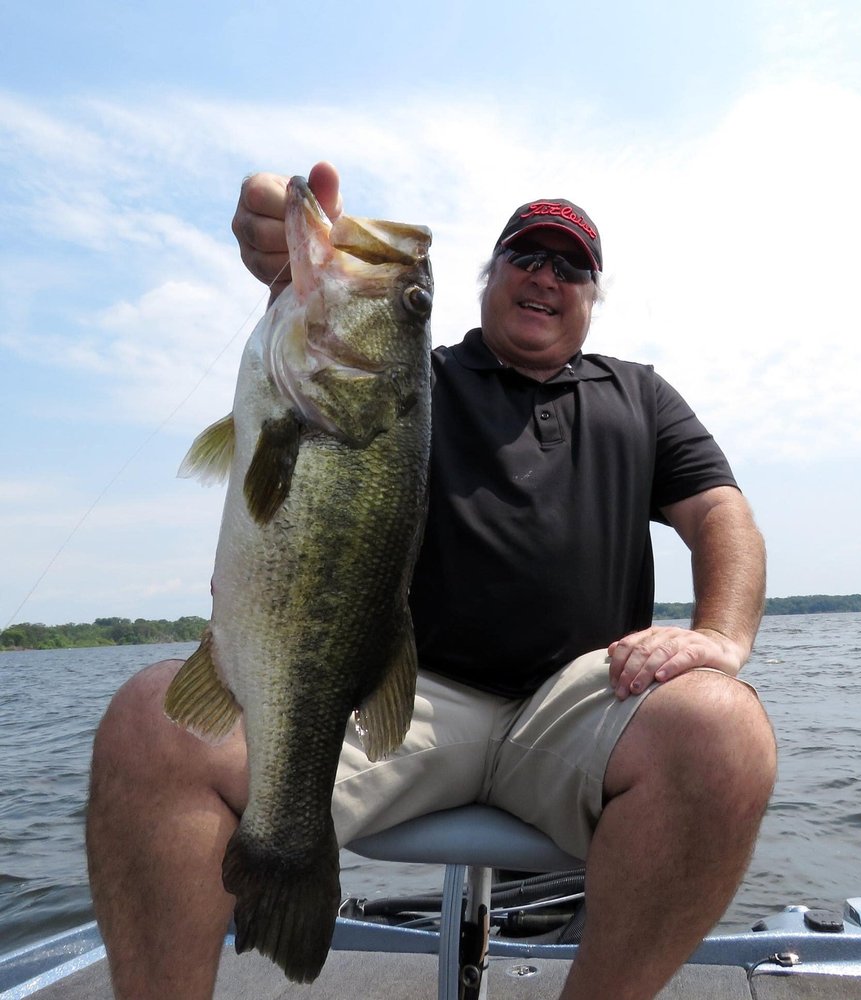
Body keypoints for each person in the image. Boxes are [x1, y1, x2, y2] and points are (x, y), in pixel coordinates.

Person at [85, 161, 777, 1000]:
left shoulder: (641, 396)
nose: (545, 278)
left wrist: (722, 637)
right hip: (396, 701)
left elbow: (721, 516)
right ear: (489, 278)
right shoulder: (416, 379)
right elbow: (320, 355)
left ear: (593, 299)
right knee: (150, 727)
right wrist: (283, 249)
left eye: (571, 267)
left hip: (580, 702)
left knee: (724, 731)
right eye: (526, 256)